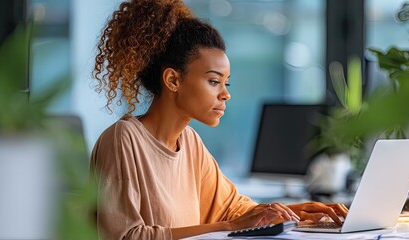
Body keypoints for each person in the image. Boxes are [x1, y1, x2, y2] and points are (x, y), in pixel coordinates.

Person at [90, 0, 348, 239]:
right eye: (214, 81)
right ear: (173, 80)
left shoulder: (189, 142)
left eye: (226, 83)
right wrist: (230, 227)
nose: (226, 94)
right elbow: (126, 236)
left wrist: (295, 213)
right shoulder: (123, 140)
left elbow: (232, 209)